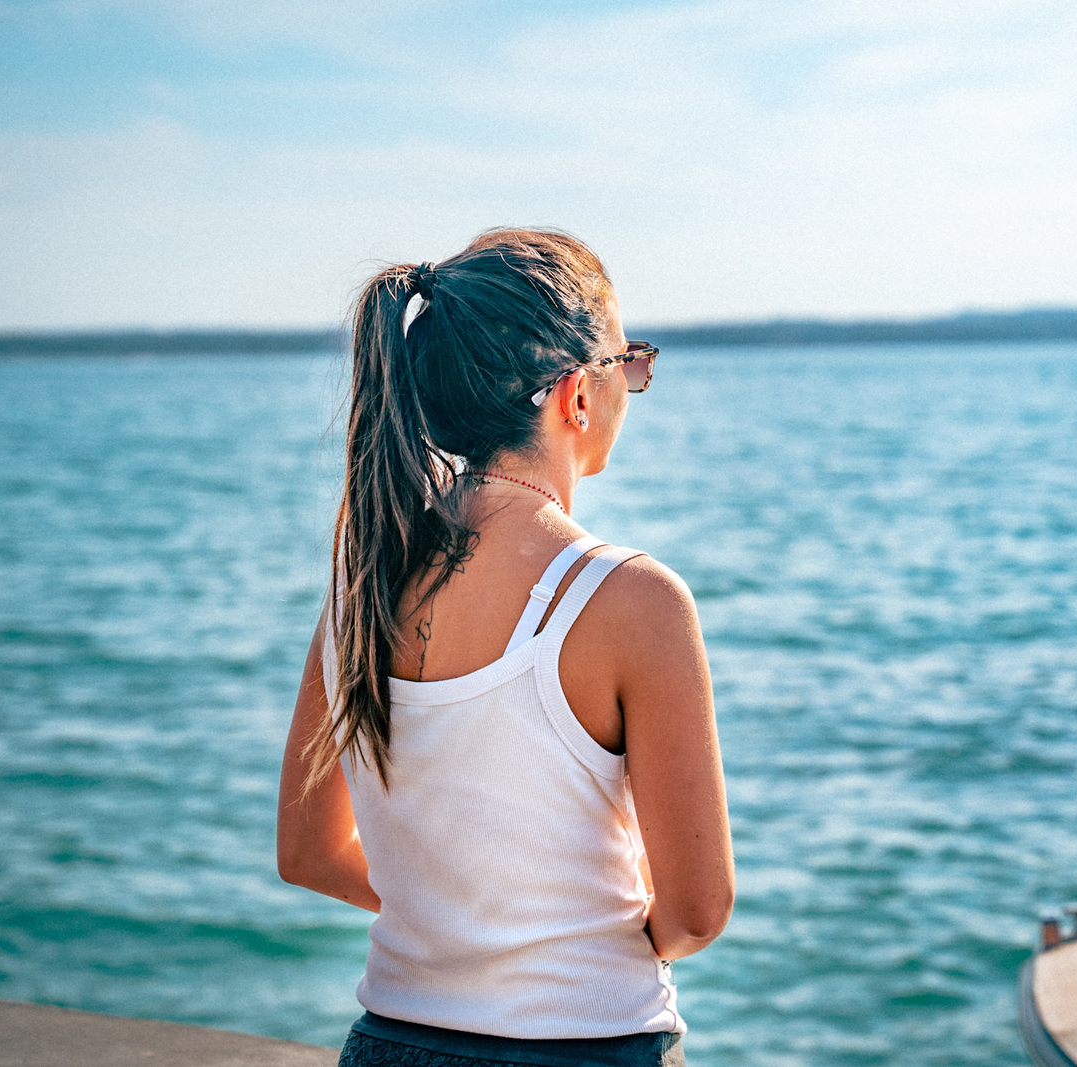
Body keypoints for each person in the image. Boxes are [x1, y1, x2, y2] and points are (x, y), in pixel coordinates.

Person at [276, 230, 734, 1067]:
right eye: (628, 362)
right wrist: (558, 939)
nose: (637, 382)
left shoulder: (364, 575)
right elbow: (697, 913)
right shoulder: (635, 600)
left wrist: (457, 921)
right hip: (587, 1047)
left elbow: (307, 852)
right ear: (574, 395)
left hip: (389, 1043)